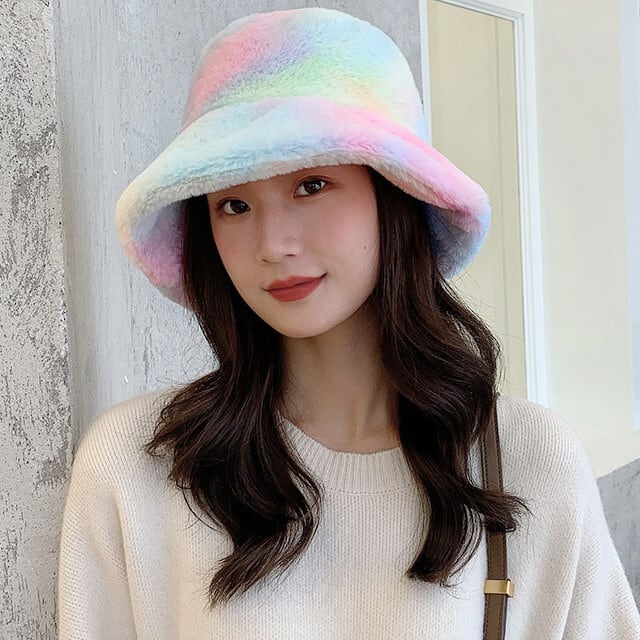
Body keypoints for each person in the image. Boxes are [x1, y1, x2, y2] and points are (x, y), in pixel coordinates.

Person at [57, 7, 640, 639]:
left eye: (312, 185)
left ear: (394, 196)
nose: (273, 245)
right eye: (234, 204)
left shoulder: (527, 461)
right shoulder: (136, 468)